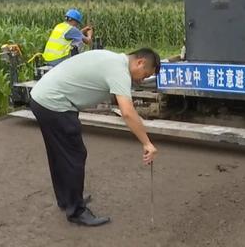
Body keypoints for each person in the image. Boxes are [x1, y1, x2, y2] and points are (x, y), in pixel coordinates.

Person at [29, 47, 160, 226]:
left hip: (42, 98)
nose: (142, 79)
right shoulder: (119, 70)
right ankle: (76, 211)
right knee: (74, 155)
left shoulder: (112, 59)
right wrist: (147, 143)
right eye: (145, 75)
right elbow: (127, 112)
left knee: (59, 154)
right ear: (140, 62)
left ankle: (67, 200)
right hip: (55, 104)